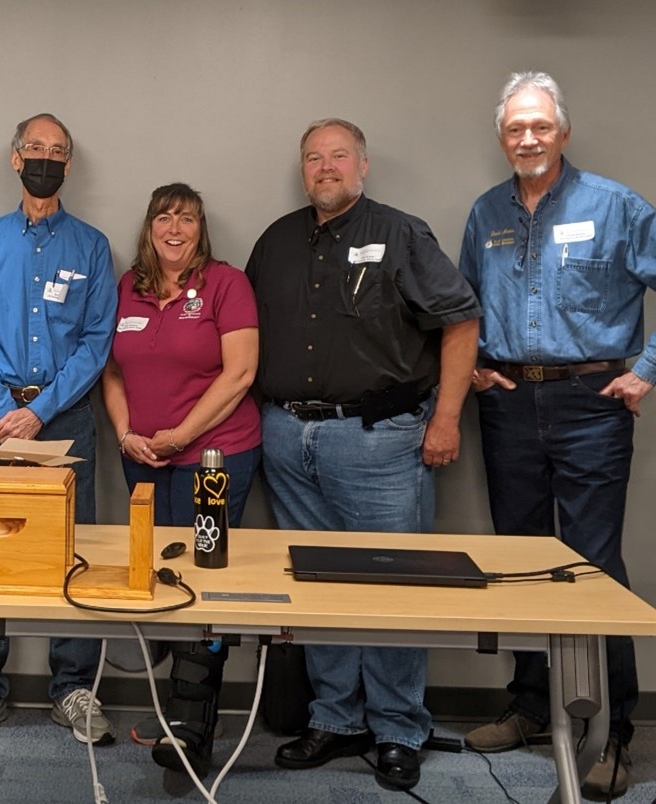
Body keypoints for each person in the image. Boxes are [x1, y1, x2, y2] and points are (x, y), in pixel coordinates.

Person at [459, 72, 656, 799]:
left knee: (593, 566)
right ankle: (531, 707)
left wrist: (647, 370)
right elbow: (462, 310)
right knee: (517, 557)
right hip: (509, 405)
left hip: (590, 404)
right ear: (502, 137)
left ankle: (612, 733)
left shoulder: (614, 206)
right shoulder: (486, 214)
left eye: (540, 126)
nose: (528, 138)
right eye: (515, 128)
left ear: (563, 132)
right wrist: (477, 369)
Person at [247, 118, 481, 792]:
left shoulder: (401, 234)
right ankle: (336, 718)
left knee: (391, 587)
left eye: (339, 156)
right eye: (314, 158)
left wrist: (446, 418)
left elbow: (461, 319)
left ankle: (398, 727)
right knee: (315, 585)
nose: (326, 167)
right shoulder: (277, 241)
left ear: (364, 165)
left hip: (378, 439)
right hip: (289, 437)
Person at [0, 112, 117, 745]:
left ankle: (74, 687)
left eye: (57, 151)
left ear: (68, 166)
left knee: (75, 545)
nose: (45, 157)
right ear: (16, 159)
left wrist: (39, 411)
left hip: (65, 417)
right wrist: (4, 412)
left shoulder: (92, 247)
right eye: (34, 148)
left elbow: (96, 343)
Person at [101, 182, 260, 775]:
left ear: (201, 229)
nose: (175, 228)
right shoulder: (128, 288)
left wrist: (182, 435)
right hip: (140, 456)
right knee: (159, 577)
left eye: (186, 219)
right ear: (149, 227)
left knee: (204, 580)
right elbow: (111, 371)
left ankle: (193, 726)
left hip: (214, 459)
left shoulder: (227, 284)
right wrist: (125, 434)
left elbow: (240, 374)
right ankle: (174, 711)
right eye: (164, 218)